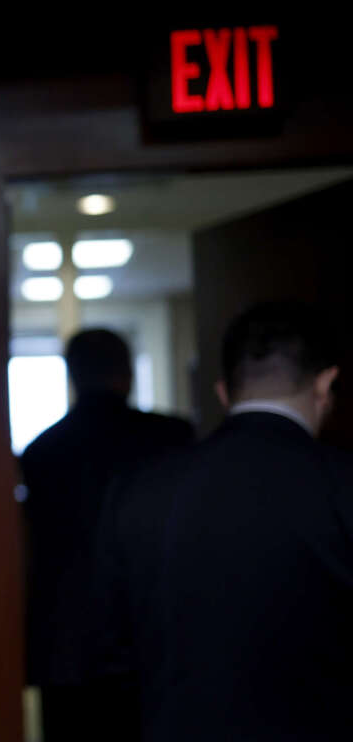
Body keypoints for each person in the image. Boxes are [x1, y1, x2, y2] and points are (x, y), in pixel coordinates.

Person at [92, 300, 353, 741]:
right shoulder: (342, 485)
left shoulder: (138, 491)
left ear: (223, 393)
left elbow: (112, 652)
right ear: (326, 383)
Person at [19, 328, 193, 742]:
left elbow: (31, 554)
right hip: (154, 641)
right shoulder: (169, 438)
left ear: (72, 376)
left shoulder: (42, 452)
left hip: (67, 651)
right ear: (127, 373)